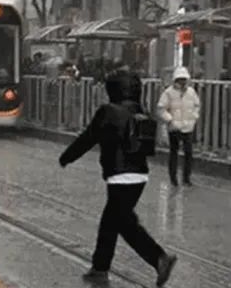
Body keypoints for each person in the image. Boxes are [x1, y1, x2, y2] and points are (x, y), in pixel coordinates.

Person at [58, 69, 177, 287]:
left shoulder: (107, 111)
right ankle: (100, 268)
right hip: (139, 176)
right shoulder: (141, 111)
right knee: (113, 222)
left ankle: (158, 258)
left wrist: (67, 157)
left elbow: (88, 138)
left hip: (119, 176)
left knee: (122, 224)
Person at [156, 66, 200, 187]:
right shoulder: (169, 93)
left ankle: (186, 177)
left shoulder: (191, 92)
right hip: (174, 127)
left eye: (184, 79)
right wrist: (170, 120)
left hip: (188, 127)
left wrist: (194, 117)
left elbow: (197, 105)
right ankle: (173, 178)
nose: (182, 81)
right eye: (180, 79)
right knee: (174, 153)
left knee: (188, 153)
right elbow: (161, 108)